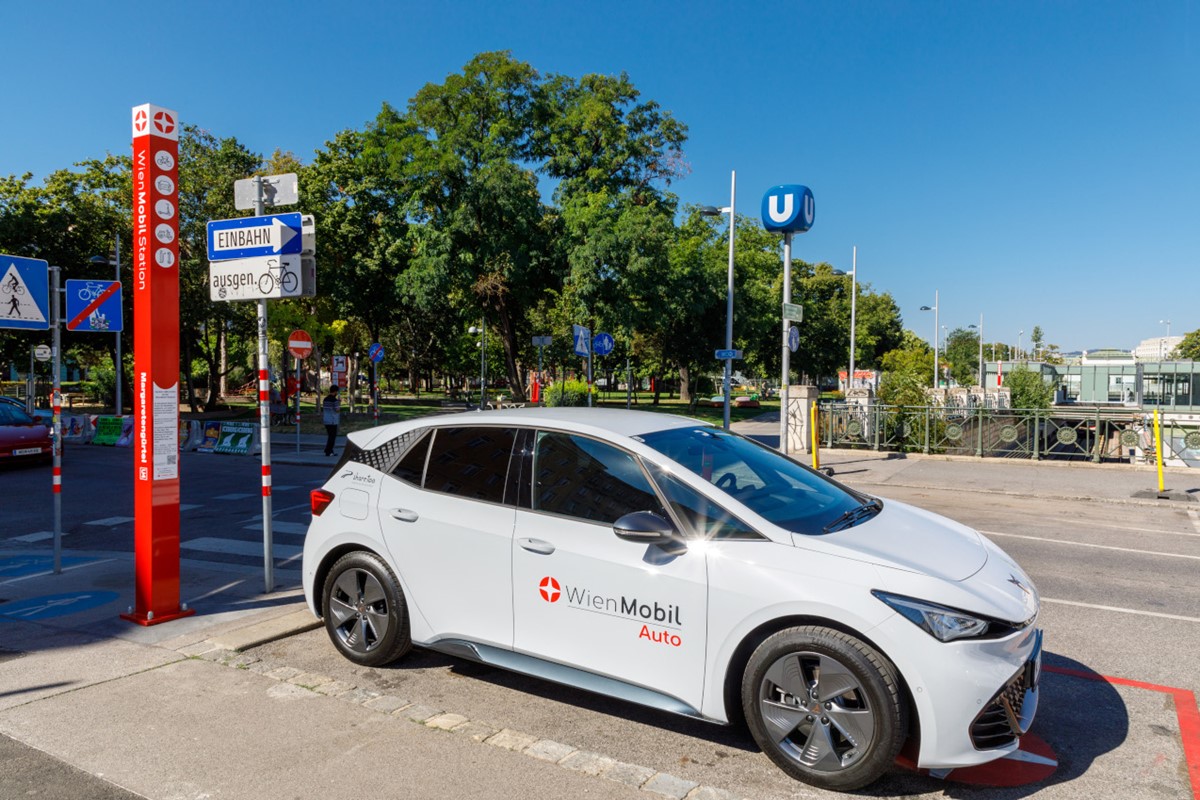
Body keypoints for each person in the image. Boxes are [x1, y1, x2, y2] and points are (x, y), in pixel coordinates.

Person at [322, 387, 341, 457]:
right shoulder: (334, 400)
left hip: (326, 420)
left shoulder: (325, 399)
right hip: (332, 421)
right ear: (335, 391)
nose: (337, 393)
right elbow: (337, 410)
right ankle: (328, 451)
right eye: (337, 392)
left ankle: (328, 449)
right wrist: (339, 403)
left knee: (330, 435)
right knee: (332, 437)